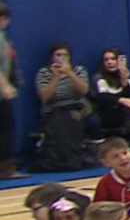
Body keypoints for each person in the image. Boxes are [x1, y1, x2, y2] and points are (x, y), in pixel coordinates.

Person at [33, 43, 91, 172]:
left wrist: (69, 73)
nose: (61, 58)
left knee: (73, 118)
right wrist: (55, 77)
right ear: (52, 57)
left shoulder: (78, 71)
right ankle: (63, 159)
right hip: (53, 111)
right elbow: (44, 97)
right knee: (61, 120)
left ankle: (73, 157)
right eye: (58, 55)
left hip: (76, 109)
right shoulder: (44, 73)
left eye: (65, 55)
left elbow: (84, 91)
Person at [90, 47, 130, 155]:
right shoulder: (99, 78)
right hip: (106, 113)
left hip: (125, 113)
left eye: (113, 59)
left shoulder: (127, 77)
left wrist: (124, 80)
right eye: (106, 60)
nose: (110, 62)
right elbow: (102, 98)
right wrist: (121, 99)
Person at [0, 3, 25, 179]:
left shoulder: (4, 39)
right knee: (6, 128)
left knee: (7, 127)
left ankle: (5, 166)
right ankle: (5, 168)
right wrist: (5, 85)